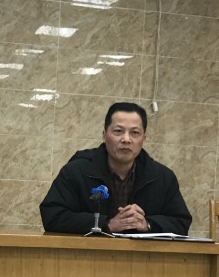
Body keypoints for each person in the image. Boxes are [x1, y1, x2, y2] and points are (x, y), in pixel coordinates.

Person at [40, 101, 191, 235]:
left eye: (135, 133)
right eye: (118, 131)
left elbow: (181, 222)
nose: (126, 139)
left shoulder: (162, 177)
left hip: (140, 256)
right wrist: (106, 224)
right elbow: (52, 216)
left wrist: (147, 224)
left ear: (143, 138)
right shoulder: (77, 171)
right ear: (104, 135)